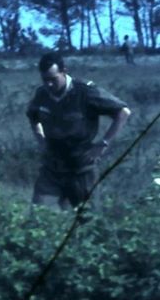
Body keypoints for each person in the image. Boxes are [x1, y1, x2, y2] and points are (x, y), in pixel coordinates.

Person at [26, 52, 131, 209]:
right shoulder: (42, 94)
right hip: (52, 167)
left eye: (53, 79)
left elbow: (123, 112)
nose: (49, 84)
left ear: (64, 71)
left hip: (81, 167)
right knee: (40, 215)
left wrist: (103, 143)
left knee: (86, 219)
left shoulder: (85, 92)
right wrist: (41, 140)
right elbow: (33, 116)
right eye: (45, 80)